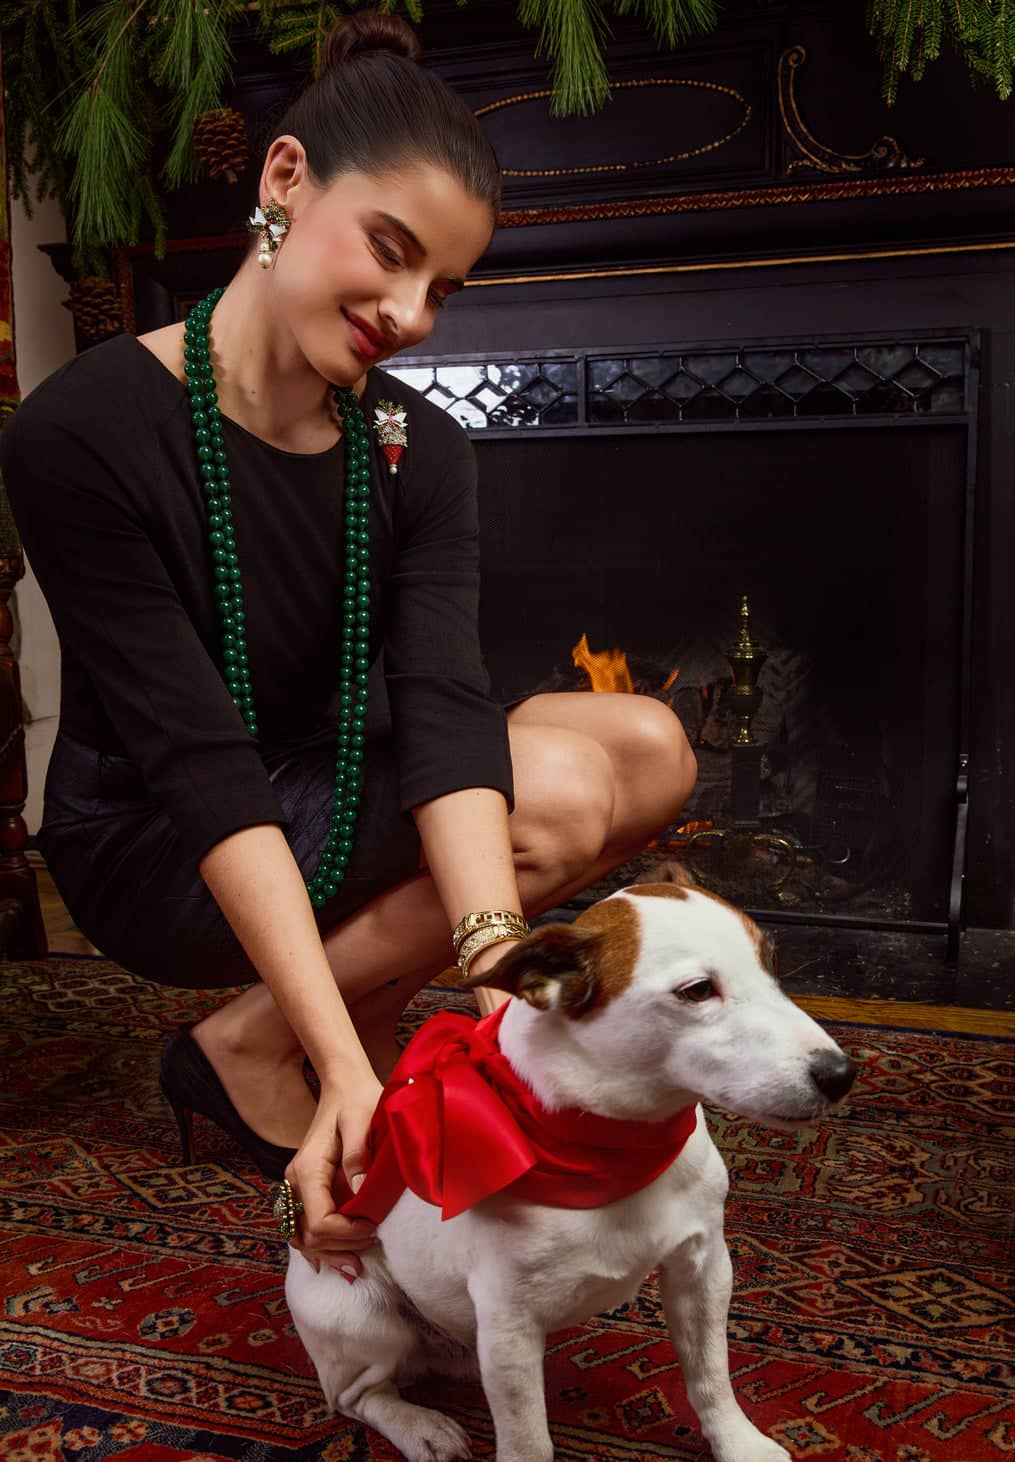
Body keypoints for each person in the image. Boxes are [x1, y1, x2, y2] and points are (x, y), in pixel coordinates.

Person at [1, 10, 696, 1277]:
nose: (413, 312)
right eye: (390, 251)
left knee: (644, 743)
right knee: (553, 779)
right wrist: (344, 1063)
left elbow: (438, 698)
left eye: (444, 286)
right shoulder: (82, 428)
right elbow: (199, 760)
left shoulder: (417, 447)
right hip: (157, 833)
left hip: (326, 766)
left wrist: (496, 971)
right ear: (283, 180)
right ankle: (286, 1045)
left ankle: (286, 1028)